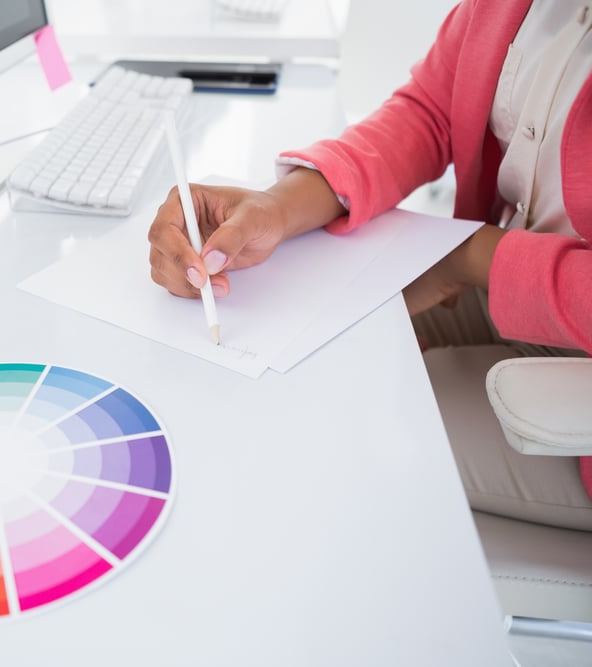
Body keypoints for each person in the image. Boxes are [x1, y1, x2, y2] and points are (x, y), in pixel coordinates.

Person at [147, 0, 592, 530]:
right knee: (290, 347)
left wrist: (470, 259)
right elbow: (433, 110)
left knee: (320, 428)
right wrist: (282, 207)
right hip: (502, 283)